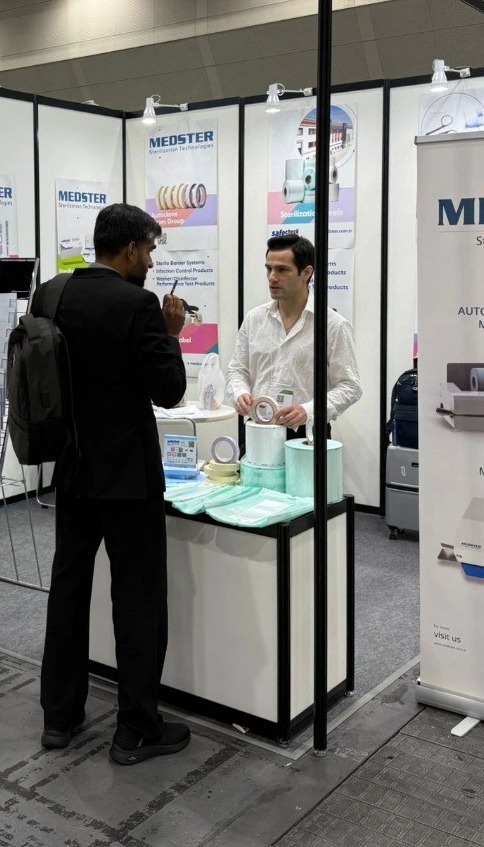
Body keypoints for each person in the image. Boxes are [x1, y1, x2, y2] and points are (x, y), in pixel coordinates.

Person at [39, 202, 191, 766]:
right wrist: (170, 334)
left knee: (68, 590)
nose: (150, 262)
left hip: (72, 468)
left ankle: (59, 716)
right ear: (129, 249)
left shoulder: (51, 294)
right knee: (137, 599)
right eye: (148, 251)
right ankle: (137, 728)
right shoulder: (138, 304)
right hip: (129, 476)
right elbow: (168, 390)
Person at [227, 234, 361, 438]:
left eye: (282, 270)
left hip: (307, 433)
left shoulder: (332, 325)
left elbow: (350, 386)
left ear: (306, 272)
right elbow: (237, 369)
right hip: (258, 428)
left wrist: (308, 410)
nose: (272, 277)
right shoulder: (255, 319)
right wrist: (240, 393)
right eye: (269, 269)